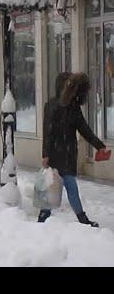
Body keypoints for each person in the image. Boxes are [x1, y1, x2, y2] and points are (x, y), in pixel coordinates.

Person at [39, 72, 110, 227]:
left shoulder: (64, 106)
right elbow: (51, 131)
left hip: (61, 153)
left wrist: (99, 145)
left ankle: (44, 218)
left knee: (55, 187)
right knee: (61, 187)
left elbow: (81, 129)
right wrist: (46, 154)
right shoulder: (61, 107)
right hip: (63, 153)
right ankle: (77, 218)